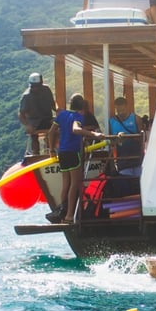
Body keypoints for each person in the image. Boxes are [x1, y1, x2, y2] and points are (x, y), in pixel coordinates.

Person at [46, 93, 105, 224]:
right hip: (73, 152)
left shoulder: (61, 115)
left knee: (66, 183)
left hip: (62, 152)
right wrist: (94, 134)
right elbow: (76, 129)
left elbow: (51, 132)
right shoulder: (79, 117)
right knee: (75, 183)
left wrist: (51, 150)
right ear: (82, 106)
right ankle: (69, 214)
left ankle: (62, 211)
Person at [18, 72, 56, 155]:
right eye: (33, 86)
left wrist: (60, 113)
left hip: (47, 118)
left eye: (37, 86)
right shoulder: (26, 96)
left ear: (41, 84)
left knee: (57, 127)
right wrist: (27, 125)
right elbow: (21, 114)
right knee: (34, 136)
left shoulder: (46, 90)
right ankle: (36, 154)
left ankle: (52, 150)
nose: (35, 89)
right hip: (34, 122)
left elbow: (53, 105)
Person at [108, 96, 145, 176]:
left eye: (123, 110)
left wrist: (127, 136)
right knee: (125, 184)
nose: (120, 113)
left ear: (127, 107)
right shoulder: (112, 122)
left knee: (138, 185)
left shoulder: (136, 119)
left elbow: (143, 139)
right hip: (122, 161)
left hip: (138, 160)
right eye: (118, 111)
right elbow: (111, 143)